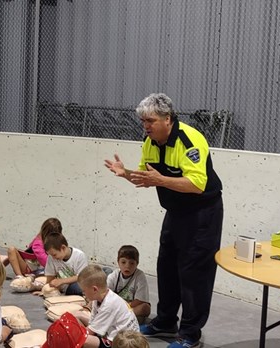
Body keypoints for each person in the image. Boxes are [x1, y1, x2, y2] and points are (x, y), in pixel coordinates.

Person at [104, 93, 223, 348]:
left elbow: (197, 184)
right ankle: (166, 321)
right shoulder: (149, 142)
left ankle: (190, 333)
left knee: (194, 273)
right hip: (175, 212)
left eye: (150, 120)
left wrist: (160, 180)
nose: (145, 126)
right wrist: (125, 173)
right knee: (167, 266)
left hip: (203, 213)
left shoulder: (190, 140)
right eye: (143, 121)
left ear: (167, 119)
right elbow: (146, 178)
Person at [75, 265, 139, 348]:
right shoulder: (98, 298)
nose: (83, 294)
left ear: (94, 289)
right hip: (112, 332)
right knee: (77, 316)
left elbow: (89, 332)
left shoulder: (109, 305)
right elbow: (92, 323)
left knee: (84, 340)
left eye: (84, 291)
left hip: (124, 343)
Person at [106, 245, 150, 324]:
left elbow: (140, 300)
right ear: (118, 262)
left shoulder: (140, 276)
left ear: (137, 264)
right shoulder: (114, 275)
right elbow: (106, 292)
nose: (127, 266)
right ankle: (122, 317)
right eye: (123, 262)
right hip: (116, 305)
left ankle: (118, 316)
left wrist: (124, 306)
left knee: (145, 308)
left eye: (132, 263)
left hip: (130, 306)